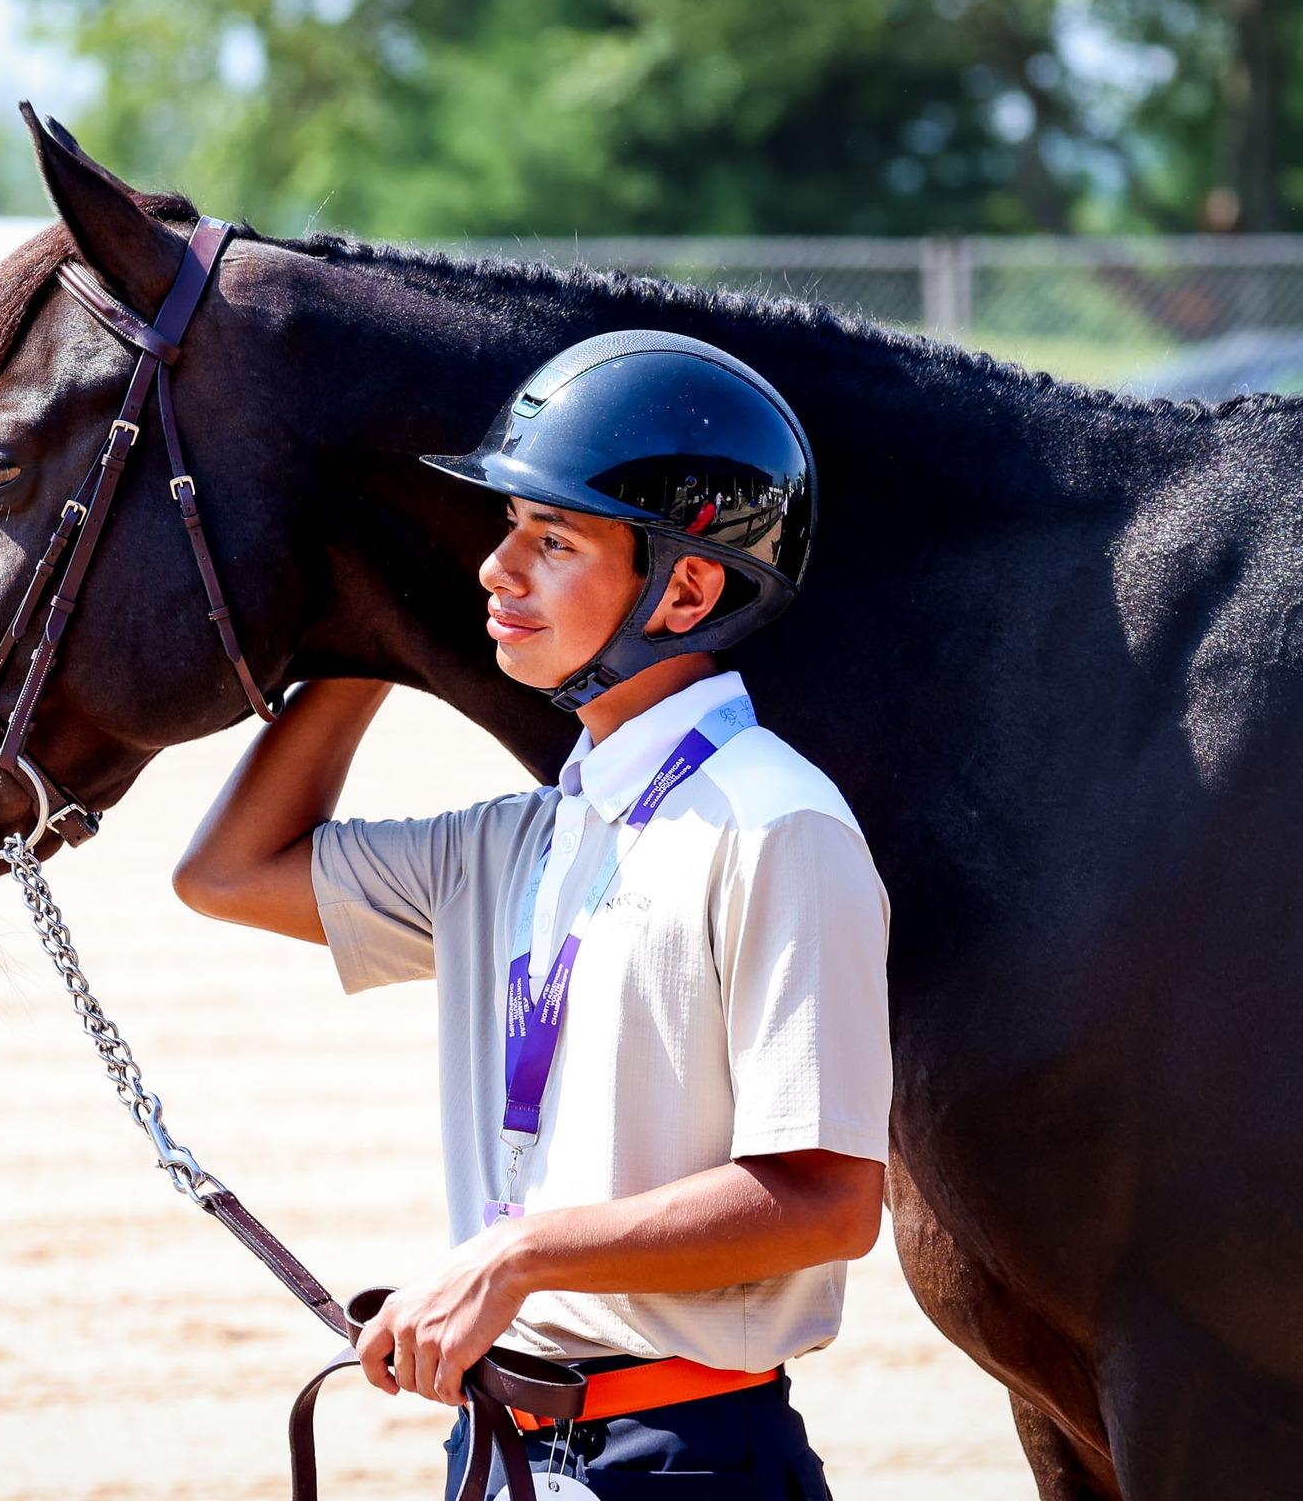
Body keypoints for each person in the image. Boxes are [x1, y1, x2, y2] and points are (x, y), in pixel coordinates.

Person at [172, 330, 891, 1500]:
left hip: (682, 1462)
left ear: (689, 588)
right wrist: (367, 646)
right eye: (506, 533)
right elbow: (228, 871)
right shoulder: (518, 838)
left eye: (548, 540)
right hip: (496, 1455)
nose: (493, 571)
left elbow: (827, 1197)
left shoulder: (776, 826)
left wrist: (517, 1256)